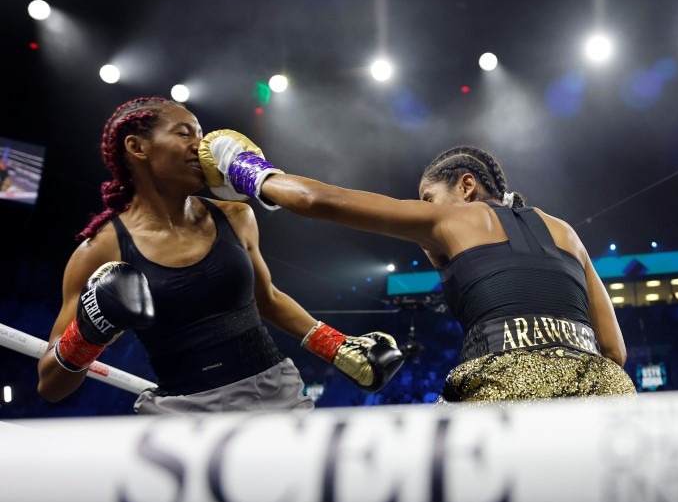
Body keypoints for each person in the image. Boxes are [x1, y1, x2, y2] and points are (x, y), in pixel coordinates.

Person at [198, 131, 636, 402]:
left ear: (466, 186)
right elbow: (614, 352)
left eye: (428, 198)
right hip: (603, 396)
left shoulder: (451, 218)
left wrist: (245, 167)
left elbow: (317, 200)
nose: (425, 211)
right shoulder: (567, 232)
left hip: (505, 392)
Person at [37, 98, 403, 413]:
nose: (202, 146)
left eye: (200, 134)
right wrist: (87, 333)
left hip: (276, 397)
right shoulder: (100, 250)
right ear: (137, 147)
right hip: (182, 417)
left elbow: (269, 299)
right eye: (185, 133)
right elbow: (50, 385)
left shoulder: (235, 215)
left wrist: (338, 347)